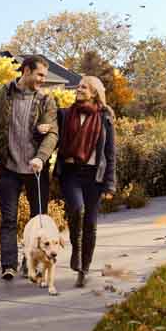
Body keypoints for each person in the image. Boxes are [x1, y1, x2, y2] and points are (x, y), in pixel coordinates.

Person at [0, 55, 59, 281]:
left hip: (36, 170)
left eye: (44, 75)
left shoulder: (46, 100)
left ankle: (31, 262)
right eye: (40, 75)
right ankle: (8, 266)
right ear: (25, 70)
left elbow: (52, 134)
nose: (42, 80)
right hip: (9, 168)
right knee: (8, 219)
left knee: (39, 220)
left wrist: (41, 158)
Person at [53, 76, 117, 288]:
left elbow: (110, 153)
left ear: (94, 93)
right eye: (78, 86)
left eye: (83, 87)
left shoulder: (105, 118)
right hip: (71, 173)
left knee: (90, 223)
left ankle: (84, 268)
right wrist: (42, 129)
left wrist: (110, 184)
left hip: (94, 177)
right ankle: (76, 252)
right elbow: (51, 138)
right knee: (76, 210)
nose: (78, 89)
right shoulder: (64, 114)